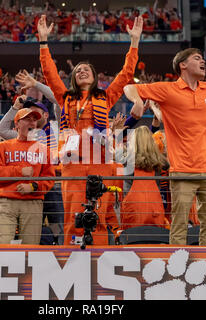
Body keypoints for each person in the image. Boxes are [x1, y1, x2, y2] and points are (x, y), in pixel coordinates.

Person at [37, 14, 143, 246]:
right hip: (73, 162)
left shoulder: (104, 97)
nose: (82, 71)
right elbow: (50, 73)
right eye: (78, 70)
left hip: (100, 161)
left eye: (87, 69)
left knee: (101, 214)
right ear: (73, 78)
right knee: (73, 215)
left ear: (95, 77)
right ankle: (69, 256)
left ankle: (100, 257)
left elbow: (126, 74)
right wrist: (43, 41)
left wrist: (134, 43)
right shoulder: (65, 97)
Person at [124, 47, 206, 246]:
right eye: (197, 58)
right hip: (182, 171)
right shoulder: (167, 89)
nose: (203, 62)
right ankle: (178, 267)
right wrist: (138, 101)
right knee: (179, 224)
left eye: (202, 59)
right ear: (183, 65)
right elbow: (129, 88)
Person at [0, 108, 55, 244]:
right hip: (6, 201)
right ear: (17, 124)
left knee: (30, 248)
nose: (31, 123)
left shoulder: (44, 149)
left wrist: (33, 186)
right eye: (27, 119)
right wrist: (19, 171)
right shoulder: (2, 146)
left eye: (34, 120)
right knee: (2, 246)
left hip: (33, 201)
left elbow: (49, 179)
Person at [120, 125, 169, 231]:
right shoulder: (161, 163)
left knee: (132, 244)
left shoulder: (126, 163)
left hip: (133, 211)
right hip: (155, 211)